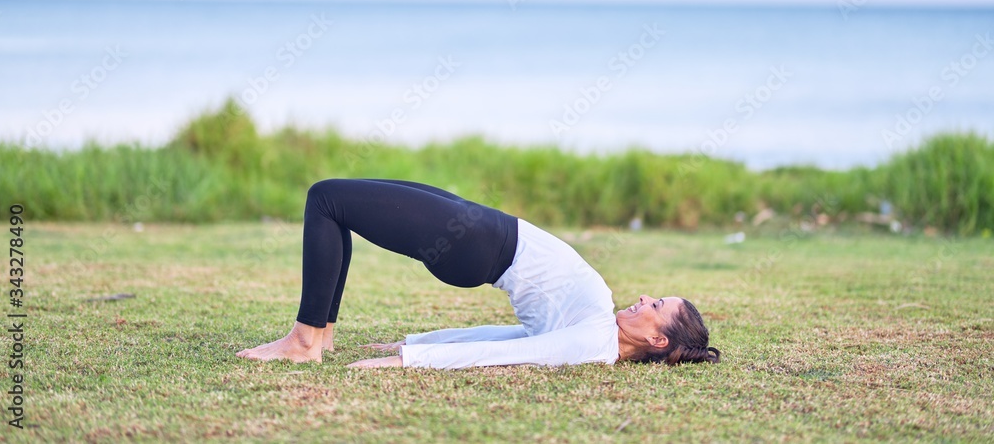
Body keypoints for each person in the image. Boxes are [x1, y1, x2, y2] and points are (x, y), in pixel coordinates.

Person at [236, 178, 720, 369]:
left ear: (658, 339)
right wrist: (414, 343)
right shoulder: (596, 330)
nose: (645, 298)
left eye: (656, 306)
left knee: (327, 199)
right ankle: (321, 336)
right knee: (340, 202)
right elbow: (510, 335)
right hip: (483, 231)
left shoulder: (594, 343)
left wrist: (409, 362)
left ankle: (304, 340)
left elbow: (506, 355)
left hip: (476, 243)